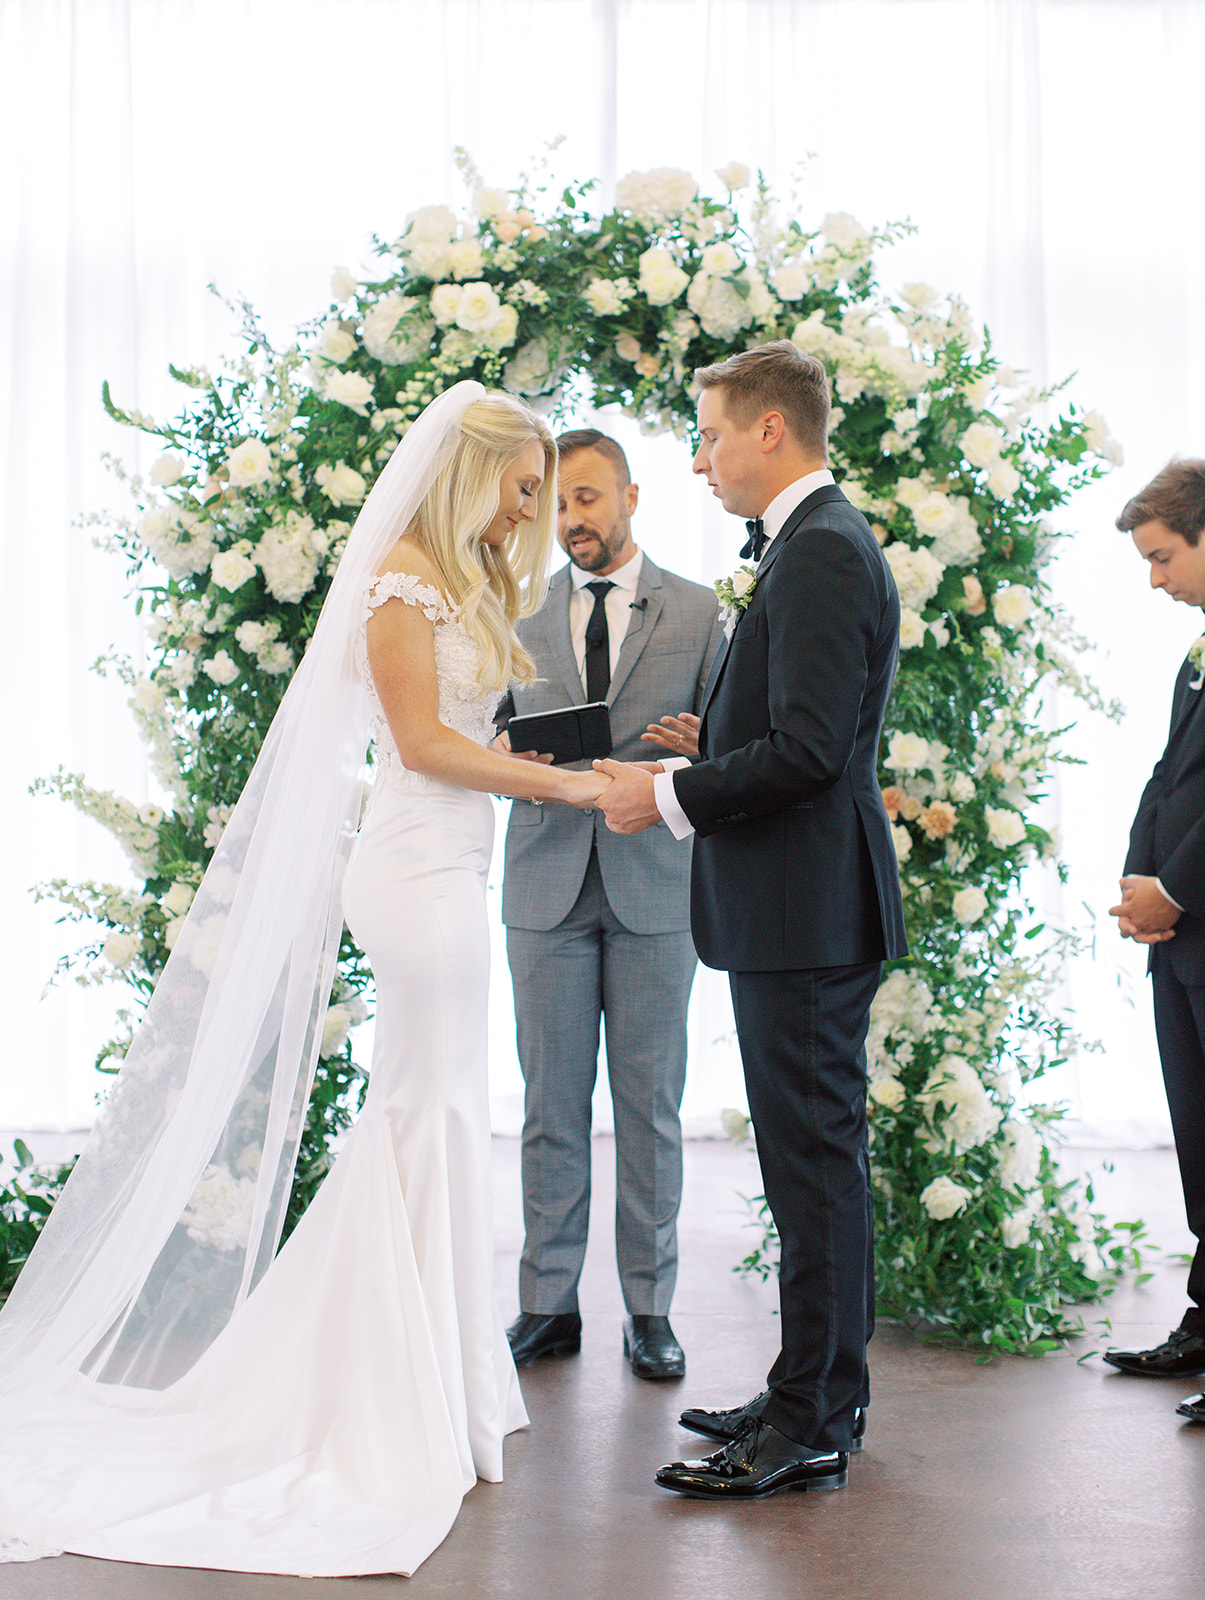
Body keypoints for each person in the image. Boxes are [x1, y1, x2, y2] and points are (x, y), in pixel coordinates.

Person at [0, 383, 606, 1577]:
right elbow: (425, 746)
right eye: (522, 486)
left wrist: (575, 753)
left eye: (541, 491)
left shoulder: (472, 576)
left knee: (436, 1111)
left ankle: (436, 1367)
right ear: (466, 471)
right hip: (413, 875)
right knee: (419, 1112)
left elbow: (478, 728)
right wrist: (576, 788)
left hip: (452, 869)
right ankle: (388, 1383)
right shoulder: (398, 577)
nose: (531, 507)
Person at [594, 341, 907, 1498]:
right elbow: (792, 730)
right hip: (795, 906)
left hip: (807, 911)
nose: (701, 457)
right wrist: (712, 742)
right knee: (801, 1163)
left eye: (711, 433)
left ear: (769, 429)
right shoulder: (810, 544)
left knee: (814, 1168)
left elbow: (816, 753)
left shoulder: (819, 549)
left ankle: (815, 1417)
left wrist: (663, 791)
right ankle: (805, 1388)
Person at [494, 428, 723, 1380]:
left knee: (650, 1107)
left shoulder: (704, 612)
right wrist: (515, 762)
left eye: (585, 498)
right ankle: (546, 1305)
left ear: (630, 496)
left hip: (656, 885)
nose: (569, 520)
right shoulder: (510, 613)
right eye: (554, 504)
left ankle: (649, 1309)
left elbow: (735, 749)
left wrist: (703, 747)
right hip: (545, 883)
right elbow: (479, 749)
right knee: (549, 1105)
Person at [1105, 458, 1205, 1424]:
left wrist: (1175, 887)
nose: (1154, 579)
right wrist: (1140, 882)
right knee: (1197, 1135)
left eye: (1163, 557)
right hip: (1176, 936)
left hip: (1202, 917)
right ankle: (1203, 1320)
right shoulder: (1196, 652)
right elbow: (1168, 774)